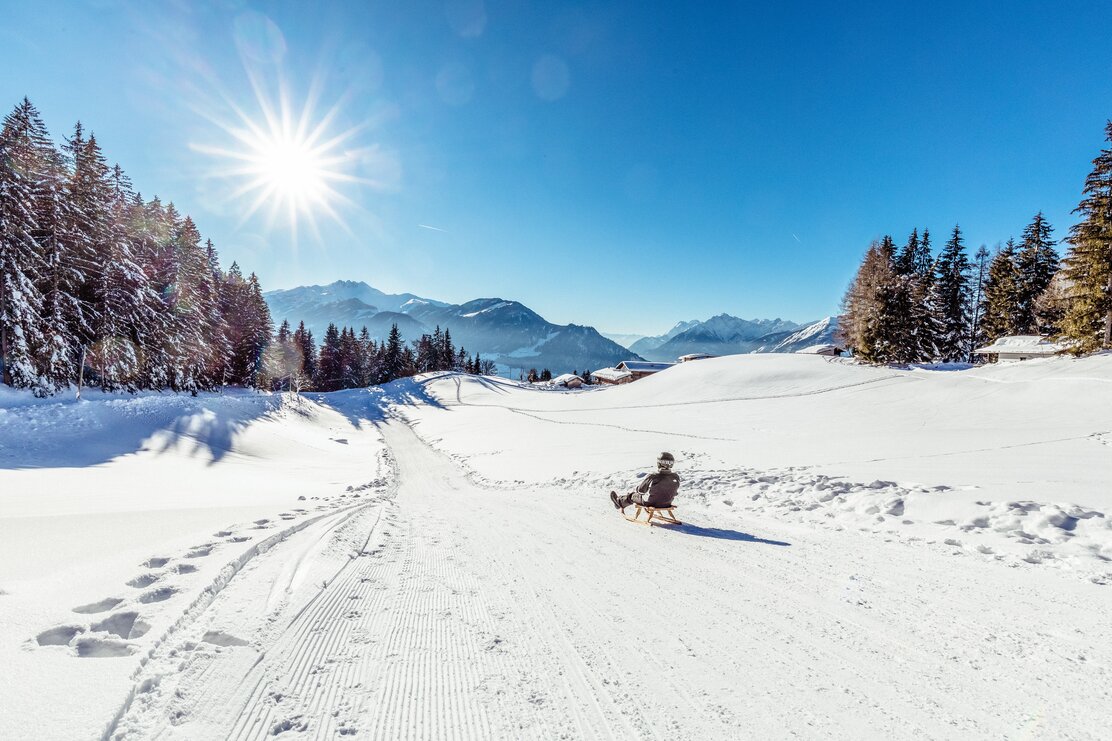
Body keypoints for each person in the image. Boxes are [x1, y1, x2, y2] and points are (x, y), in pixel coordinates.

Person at [610, 452, 680, 512]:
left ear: (658, 463)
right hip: (667, 503)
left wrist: (637, 489)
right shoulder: (676, 477)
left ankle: (619, 502)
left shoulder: (653, 476)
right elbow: (675, 493)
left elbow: (641, 491)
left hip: (651, 503)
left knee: (633, 496)